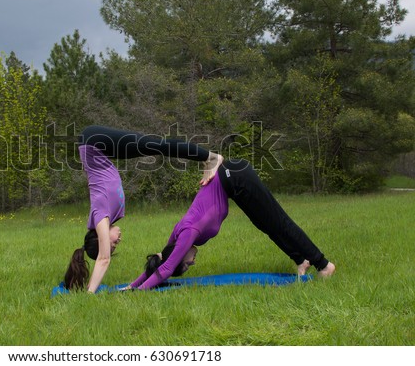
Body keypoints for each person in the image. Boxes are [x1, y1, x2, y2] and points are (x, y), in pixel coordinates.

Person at [127, 158, 335, 291]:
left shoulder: (188, 233)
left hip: (234, 176)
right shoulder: (176, 239)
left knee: (279, 222)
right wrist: (131, 285)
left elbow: (165, 269)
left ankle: (324, 265)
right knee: (269, 226)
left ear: (181, 255)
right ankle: (301, 260)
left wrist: (138, 293)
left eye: (188, 263)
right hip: (233, 184)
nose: (193, 263)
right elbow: (160, 261)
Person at [63, 125, 223, 293]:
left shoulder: (100, 216)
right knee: (155, 146)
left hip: (93, 142)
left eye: (112, 244)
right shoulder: (105, 217)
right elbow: (103, 256)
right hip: (97, 147)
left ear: (100, 237)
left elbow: (104, 259)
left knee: (157, 145)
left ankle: (211, 158)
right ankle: (208, 158)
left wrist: (90, 293)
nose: (118, 242)